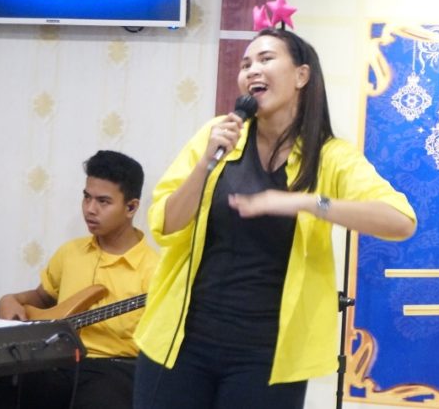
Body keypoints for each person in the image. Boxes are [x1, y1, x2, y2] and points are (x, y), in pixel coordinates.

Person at [132, 27, 417, 409]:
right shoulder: (215, 136)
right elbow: (165, 225)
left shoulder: (329, 156)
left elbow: (400, 221)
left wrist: (305, 203)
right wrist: (204, 163)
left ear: (301, 75)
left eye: (266, 59)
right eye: (245, 64)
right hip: (179, 343)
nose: (252, 70)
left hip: (267, 358)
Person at [0, 150, 158, 409]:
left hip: (114, 369)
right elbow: (41, 298)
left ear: (131, 207)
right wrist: (10, 300)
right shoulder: (70, 253)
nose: (90, 209)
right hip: (55, 362)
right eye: (87, 197)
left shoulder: (155, 270)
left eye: (103, 202)